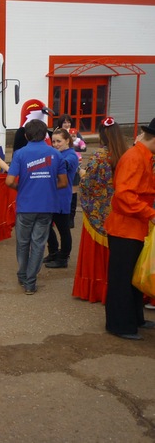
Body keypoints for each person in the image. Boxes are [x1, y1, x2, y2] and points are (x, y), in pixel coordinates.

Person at [103, 118, 155, 340]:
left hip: (134, 226)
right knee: (122, 279)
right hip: (125, 228)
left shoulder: (142, 156)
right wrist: (151, 213)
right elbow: (124, 195)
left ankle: (134, 319)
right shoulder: (135, 157)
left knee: (131, 277)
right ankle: (119, 324)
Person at [6, 119, 67, 294]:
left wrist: (22, 187)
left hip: (25, 205)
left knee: (23, 242)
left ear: (26, 135)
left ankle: (22, 275)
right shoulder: (56, 154)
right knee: (39, 244)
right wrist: (47, 186)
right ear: (46, 135)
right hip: (46, 206)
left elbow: (9, 181)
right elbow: (63, 182)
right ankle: (30, 282)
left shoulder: (20, 154)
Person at [72, 117, 128, 303]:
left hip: (97, 212)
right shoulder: (125, 154)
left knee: (95, 255)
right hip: (117, 210)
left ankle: (94, 288)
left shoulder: (99, 156)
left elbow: (88, 184)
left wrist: (82, 174)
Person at [44, 128, 79, 268]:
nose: (56, 144)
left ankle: (63, 257)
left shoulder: (71, 155)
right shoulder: (55, 153)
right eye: (53, 142)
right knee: (46, 226)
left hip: (62, 197)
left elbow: (63, 164)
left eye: (59, 141)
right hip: (50, 196)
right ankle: (53, 251)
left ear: (67, 140)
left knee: (63, 229)